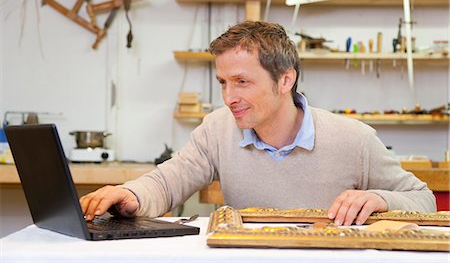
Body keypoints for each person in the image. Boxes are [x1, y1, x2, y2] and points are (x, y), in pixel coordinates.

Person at [80, 21, 436, 226]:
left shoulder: (354, 139)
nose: (228, 97)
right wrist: (130, 195)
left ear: (285, 81)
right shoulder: (218, 129)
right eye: (223, 82)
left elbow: (424, 201)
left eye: (242, 82)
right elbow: (168, 181)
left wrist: (378, 198)